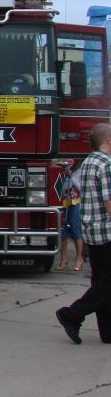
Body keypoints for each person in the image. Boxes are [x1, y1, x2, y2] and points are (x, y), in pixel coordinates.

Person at [56, 123, 111, 344]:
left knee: (101, 282)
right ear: (108, 139)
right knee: (107, 284)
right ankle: (71, 314)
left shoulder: (88, 162)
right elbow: (109, 202)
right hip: (107, 231)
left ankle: (107, 331)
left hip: (92, 231)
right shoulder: (106, 164)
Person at [57, 160, 85, 271]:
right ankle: (64, 258)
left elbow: (81, 188)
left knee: (75, 229)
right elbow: (63, 188)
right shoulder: (66, 169)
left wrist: (71, 177)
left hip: (76, 202)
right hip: (64, 202)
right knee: (62, 230)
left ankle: (79, 258)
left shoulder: (81, 171)